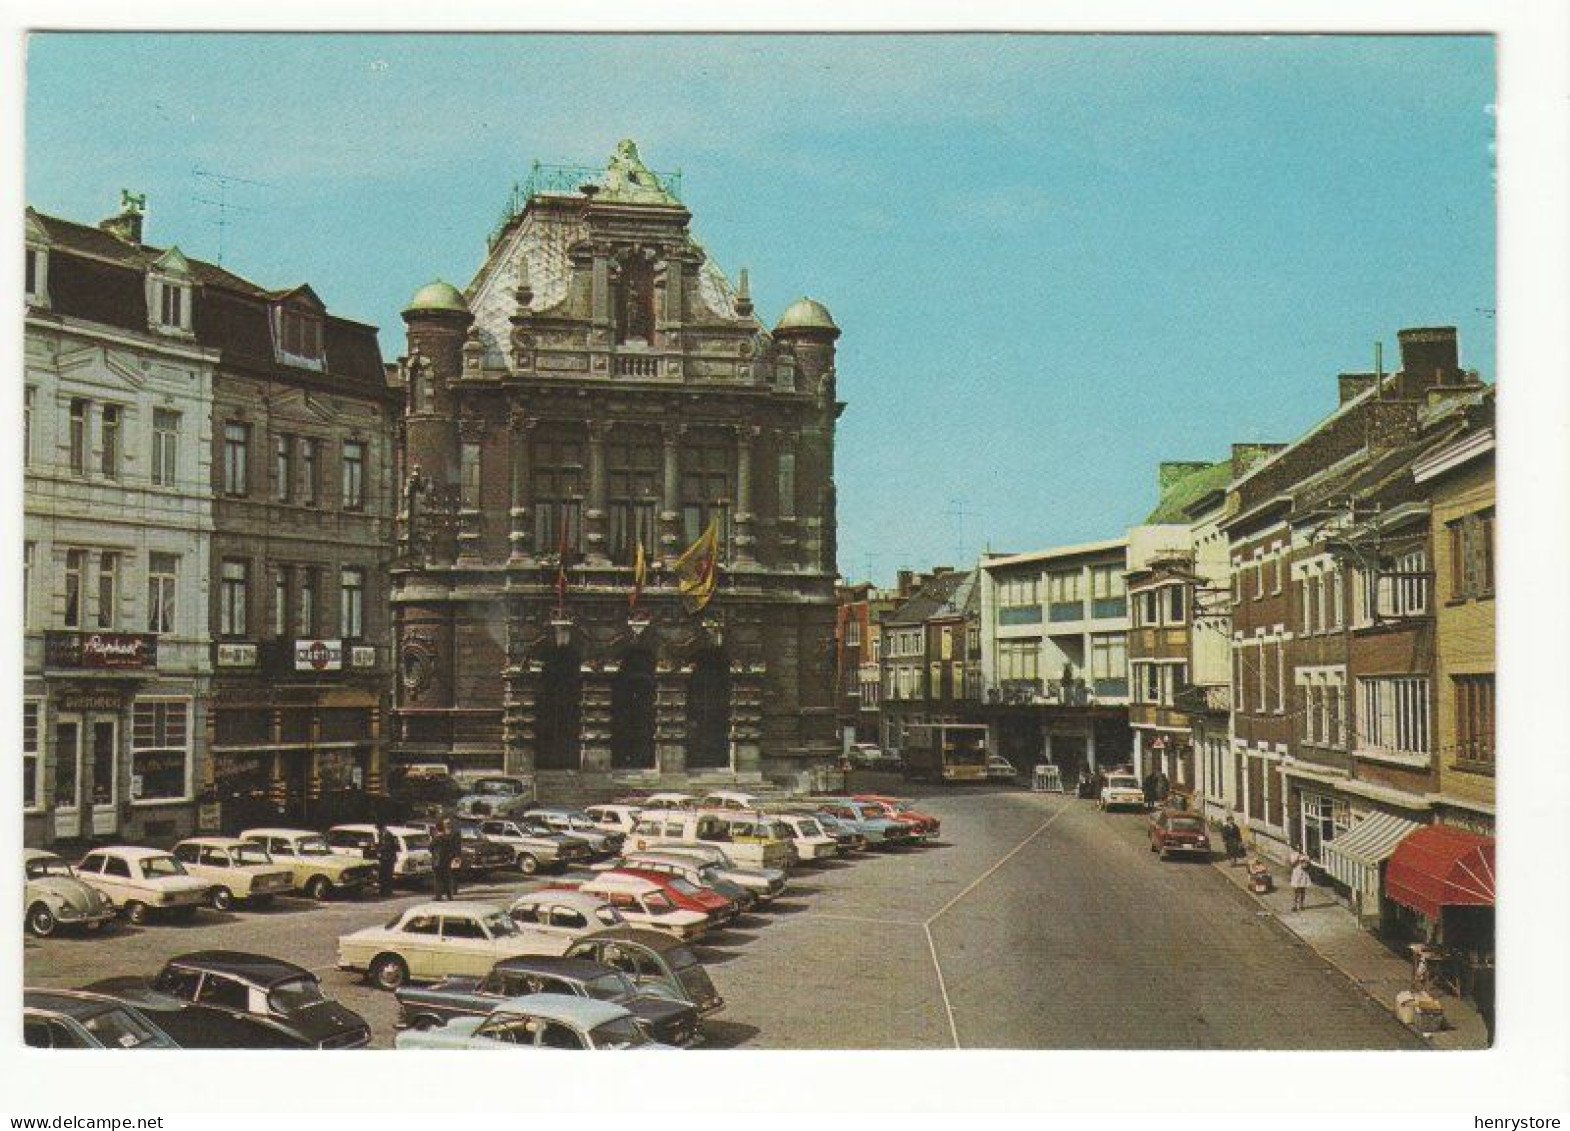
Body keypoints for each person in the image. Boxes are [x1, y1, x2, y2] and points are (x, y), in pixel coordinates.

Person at [431, 819, 458, 901]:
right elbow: (451, 849)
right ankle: (449, 896)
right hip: (446, 861)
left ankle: (438, 896)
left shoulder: (436, 838)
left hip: (437, 861)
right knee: (446, 879)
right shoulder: (447, 838)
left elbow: (430, 847)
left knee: (438, 880)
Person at [375, 823, 398, 897]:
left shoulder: (387, 834)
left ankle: (387, 891)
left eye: (378, 829)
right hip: (385, 857)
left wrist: (378, 849)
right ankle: (383, 890)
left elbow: (387, 846)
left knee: (387, 875)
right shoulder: (382, 834)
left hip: (388, 857)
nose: (378, 831)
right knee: (383, 874)